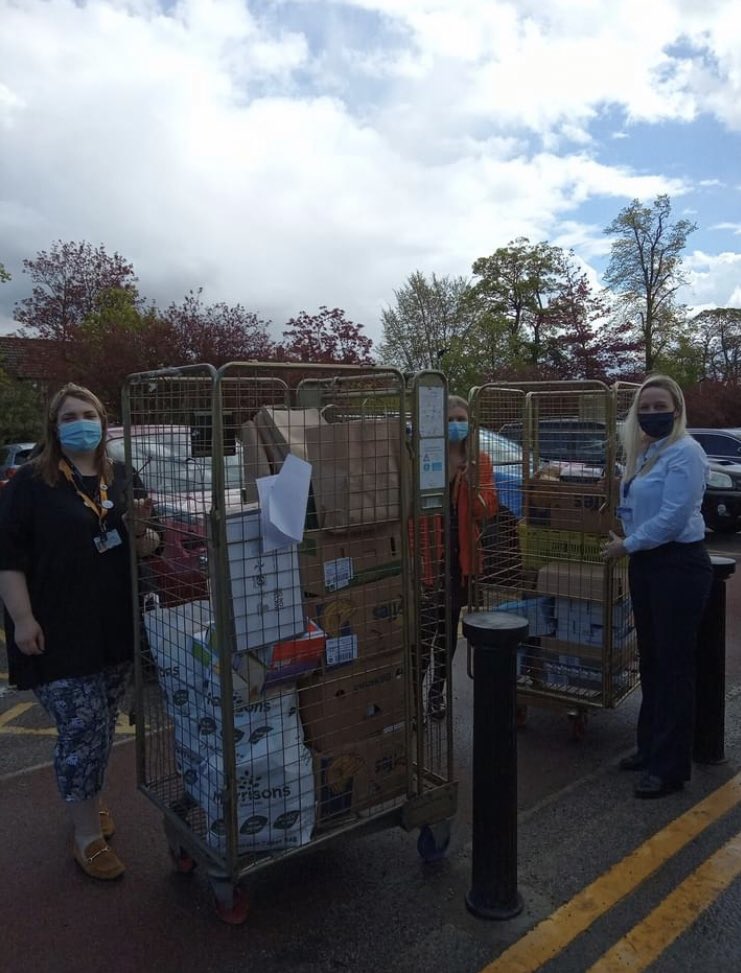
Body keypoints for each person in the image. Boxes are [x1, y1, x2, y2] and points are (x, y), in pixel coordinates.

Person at [0, 383, 159, 879]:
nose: (80, 422)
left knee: (101, 726)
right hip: (57, 632)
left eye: (88, 413)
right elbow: (8, 559)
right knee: (83, 729)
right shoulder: (30, 483)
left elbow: (148, 548)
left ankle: (87, 798)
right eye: (69, 415)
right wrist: (23, 620)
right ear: (54, 425)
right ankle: (86, 836)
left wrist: (144, 533)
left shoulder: (124, 475)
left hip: (113, 628)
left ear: (103, 420)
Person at [603, 375, 712, 799]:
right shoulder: (646, 452)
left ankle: (670, 768)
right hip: (646, 564)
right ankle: (649, 749)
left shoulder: (686, 452)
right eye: (644, 408)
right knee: (651, 661)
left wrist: (626, 544)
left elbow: (672, 518)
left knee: (674, 667)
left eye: (659, 406)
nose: (651, 414)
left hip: (677, 566)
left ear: (677, 409)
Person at [424, 395, 499, 719]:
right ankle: (412, 697)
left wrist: (470, 482)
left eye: (461, 419)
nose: (457, 425)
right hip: (429, 557)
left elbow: (488, 510)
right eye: (450, 419)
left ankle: (436, 692)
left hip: (460, 559)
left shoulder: (479, 460)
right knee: (421, 634)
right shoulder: (427, 459)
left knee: (447, 630)